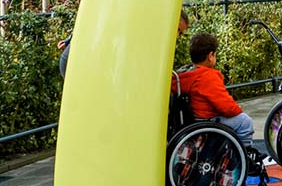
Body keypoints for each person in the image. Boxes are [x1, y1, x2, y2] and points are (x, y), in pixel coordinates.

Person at [171, 31, 255, 146]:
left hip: (196, 119)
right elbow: (226, 106)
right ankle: (244, 154)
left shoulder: (187, 75)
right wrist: (237, 110)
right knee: (245, 122)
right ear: (211, 56)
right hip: (209, 119)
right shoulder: (208, 77)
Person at [59, 8, 189, 78]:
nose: (177, 36)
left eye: (181, 33)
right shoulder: (149, 29)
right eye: (177, 29)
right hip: (78, 61)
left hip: (85, 59)